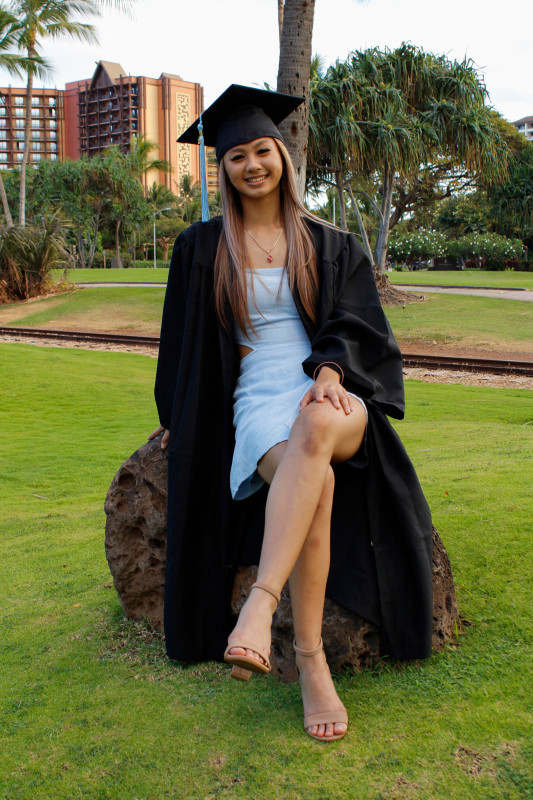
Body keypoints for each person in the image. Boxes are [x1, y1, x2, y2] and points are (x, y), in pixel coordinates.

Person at [148, 85, 433, 743]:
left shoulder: (329, 245)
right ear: (220, 168)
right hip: (255, 402)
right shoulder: (199, 249)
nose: (252, 165)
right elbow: (180, 344)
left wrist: (329, 373)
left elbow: (358, 323)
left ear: (281, 155)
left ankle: (257, 608)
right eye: (236, 156)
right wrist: (177, 416)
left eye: (261, 151)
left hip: (329, 394)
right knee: (318, 480)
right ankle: (309, 663)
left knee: (314, 422)